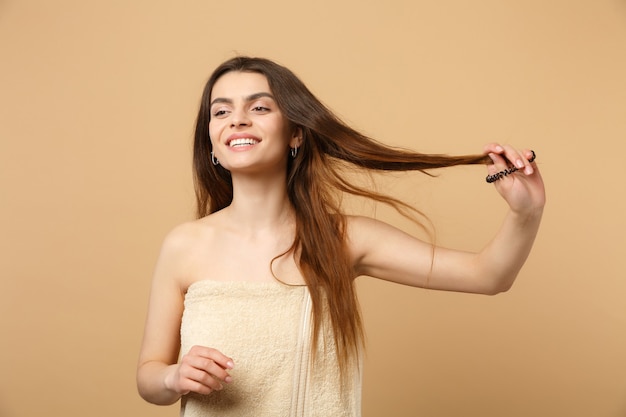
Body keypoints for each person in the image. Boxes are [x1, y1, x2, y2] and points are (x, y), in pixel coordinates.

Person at [136, 56, 545, 416]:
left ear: (296, 133)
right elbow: (149, 375)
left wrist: (526, 212)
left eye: (259, 107)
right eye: (220, 112)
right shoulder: (184, 245)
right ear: (212, 141)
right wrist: (174, 377)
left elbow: (488, 276)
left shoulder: (344, 238)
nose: (237, 120)